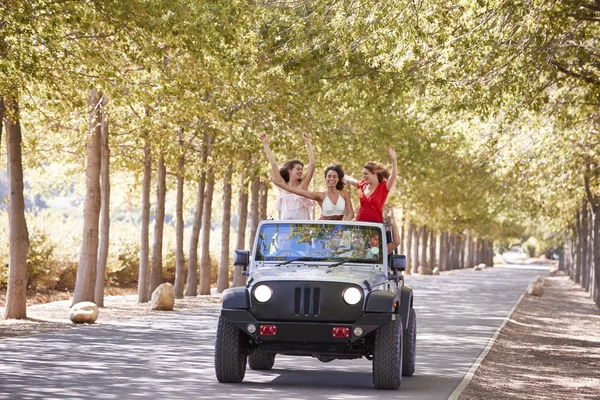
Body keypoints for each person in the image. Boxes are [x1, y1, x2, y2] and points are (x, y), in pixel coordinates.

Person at [259, 132, 315, 219]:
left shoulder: (303, 186)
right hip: (286, 227)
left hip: (302, 228)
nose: (300, 171)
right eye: (298, 169)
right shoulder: (282, 185)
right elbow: (273, 164)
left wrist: (308, 143)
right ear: (290, 171)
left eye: (301, 169)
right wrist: (265, 143)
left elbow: (312, 164)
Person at [270, 164, 355, 221]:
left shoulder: (344, 194)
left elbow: (351, 213)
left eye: (334, 177)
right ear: (325, 178)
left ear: (338, 179)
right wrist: (280, 184)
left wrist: (343, 226)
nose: (331, 179)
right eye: (329, 176)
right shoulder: (320, 195)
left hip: (341, 230)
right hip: (324, 229)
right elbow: (298, 191)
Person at [344, 147, 398, 223]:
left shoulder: (384, 187)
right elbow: (349, 179)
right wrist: (340, 173)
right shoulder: (362, 185)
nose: (363, 176)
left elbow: (393, 176)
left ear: (374, 174)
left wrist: (394, 160)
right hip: (360, 225)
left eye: (366, 174)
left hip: (375, 227)